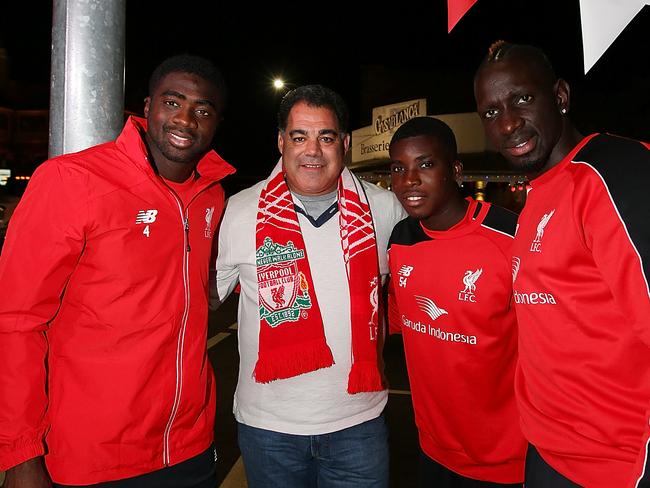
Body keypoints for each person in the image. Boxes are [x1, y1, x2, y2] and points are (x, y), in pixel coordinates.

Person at [0, 54, 235, 487]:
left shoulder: (212, 196)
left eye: (202, 110)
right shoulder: (71, 180)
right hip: (93, 458)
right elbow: (16, 322)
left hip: (190, 449)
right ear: (146, 107)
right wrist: (20, 454)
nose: (185, 120)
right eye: (172, 102)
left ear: (216, 122)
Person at [474, 41, 650, 488]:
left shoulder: (613, 170)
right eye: (491, 112)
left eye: (522, 99)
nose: (509, 123)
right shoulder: (539, 194)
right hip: (547, 455)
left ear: (561, 96)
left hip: (616, 466)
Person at [214, 84, 405, 488]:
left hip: (360, 423)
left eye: (326, 137)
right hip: (269, 429)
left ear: (346, 143)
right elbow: (202, 297)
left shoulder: (385, 209)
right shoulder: (238, 211)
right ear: (281, 141)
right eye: (299, 136)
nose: (312, 150)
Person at [386, 116, 525, 487]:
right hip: (432, 449)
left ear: (456, 170)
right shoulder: (401, 239)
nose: (409, 180)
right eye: (399, 169)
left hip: (505, 461)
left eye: (425, 165)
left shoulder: (509, 237)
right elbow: (399, 321)